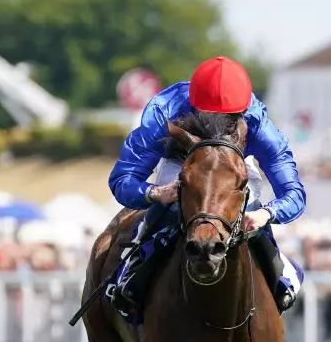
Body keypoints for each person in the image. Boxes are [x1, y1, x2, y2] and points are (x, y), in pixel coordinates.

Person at [106, 56, 306, 317]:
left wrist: (265, 213)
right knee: (175, 205)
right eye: (212, 116)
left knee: (250, 206)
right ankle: (132, 273)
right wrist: (156, 193)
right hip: (181, 164)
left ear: (242, 111)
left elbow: (294, 193)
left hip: (233, 162)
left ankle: (282, 276)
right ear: (194, 105)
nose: (219, 124)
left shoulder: (257, 122)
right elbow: (122, 179)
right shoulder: (164, 110)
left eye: (229, 118)